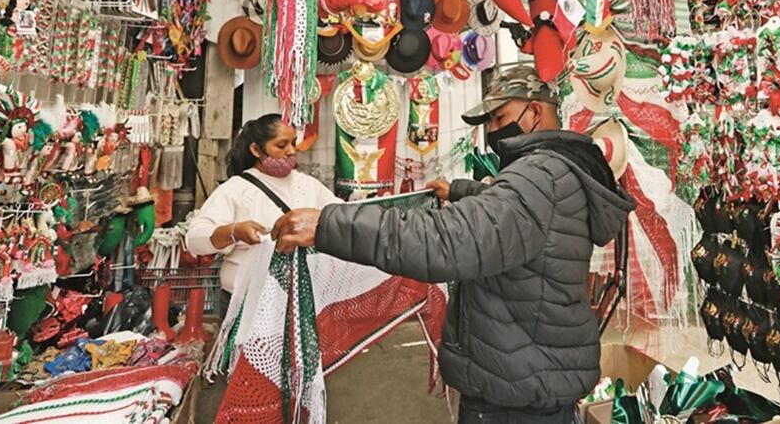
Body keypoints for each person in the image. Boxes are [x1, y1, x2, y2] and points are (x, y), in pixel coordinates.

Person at [271, 66, 636, 423]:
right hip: (534, 367)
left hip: (516, 393)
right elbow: (513, 214)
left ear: (535, 111)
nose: (493, 130)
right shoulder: (558, 170)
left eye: (499, 117)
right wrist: (460, 190)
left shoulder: (539, 175)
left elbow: (450, 240)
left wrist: (328, 225)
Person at [185, 113, 338, 304]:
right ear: (256, 150)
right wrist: (235, 232)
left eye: (293, 143)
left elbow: (339, 217)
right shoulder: (236, 189)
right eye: (282, 145)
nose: (291, 151)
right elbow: (195, 239)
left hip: (301, 302)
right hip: (246, 301)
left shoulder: (308, 185)